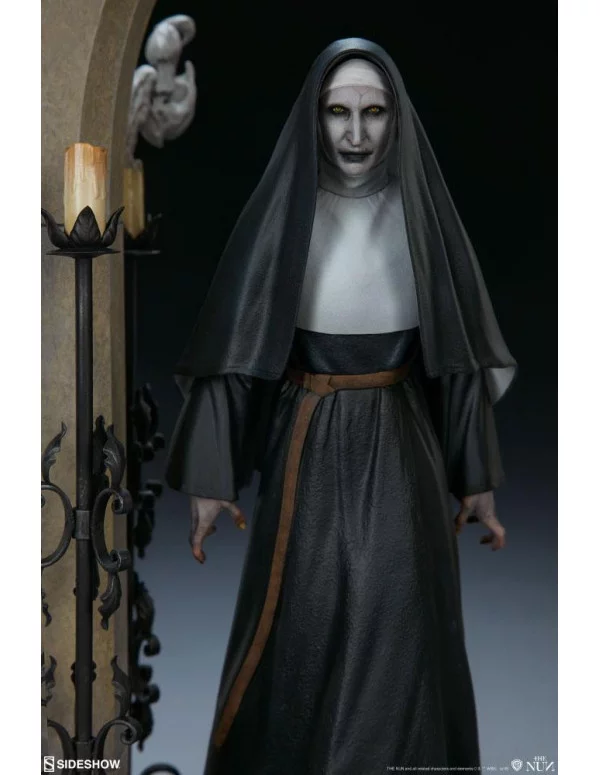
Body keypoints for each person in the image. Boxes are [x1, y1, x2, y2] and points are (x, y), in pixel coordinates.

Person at [164, 37, 517, 775]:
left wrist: (476, 479)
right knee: (304, 618)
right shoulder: (284, 222)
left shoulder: (420, 224)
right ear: (314, 118)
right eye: (338, 112)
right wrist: (210, 478)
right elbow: (235, 356)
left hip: (401, 448)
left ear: (397, 119)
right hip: (307, 444)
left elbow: (455, 361)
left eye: (373, 113)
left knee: (400, 619)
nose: (355, 134)